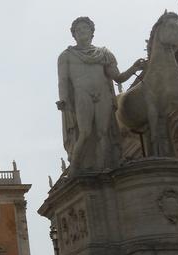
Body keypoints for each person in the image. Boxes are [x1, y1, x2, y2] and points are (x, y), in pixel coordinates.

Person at [57, 16, 144, 174]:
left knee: (104, 132)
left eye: (85, 28)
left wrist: (134, 68)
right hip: (82, 95)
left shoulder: (104, 54)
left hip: (103, 94)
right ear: (74, 35)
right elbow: (62, 81)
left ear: (92, 32)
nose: (82, 31)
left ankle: (106, 167)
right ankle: (75, 169)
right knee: (85, 133)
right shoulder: (66, 56)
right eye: (78, 30)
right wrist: (63, 100)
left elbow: (117, 77)